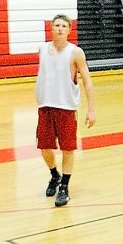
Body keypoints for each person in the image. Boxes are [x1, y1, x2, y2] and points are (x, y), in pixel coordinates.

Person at [35, 14, 96, 207]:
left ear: (69, 30)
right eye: (57, 25)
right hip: (45, 106)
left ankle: (64, 187)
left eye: (64, 26)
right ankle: (55, 175)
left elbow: (87, 80)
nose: (60, 29)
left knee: (68, 149)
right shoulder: (43, 49)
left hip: (66, 108)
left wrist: (91, 109)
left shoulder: (75, 52)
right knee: (44, 148)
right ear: (51, 28)